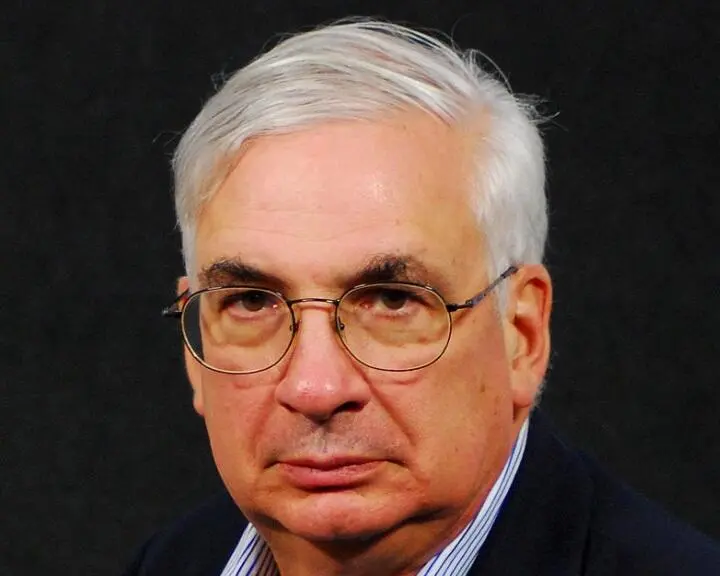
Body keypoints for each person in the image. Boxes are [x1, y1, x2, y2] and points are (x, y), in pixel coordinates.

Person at [124, 19, 720, 576]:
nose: (314, 389)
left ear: (522, 334)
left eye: (392, 300)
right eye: (252, 302)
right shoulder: (174, 562)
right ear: (196, 347)